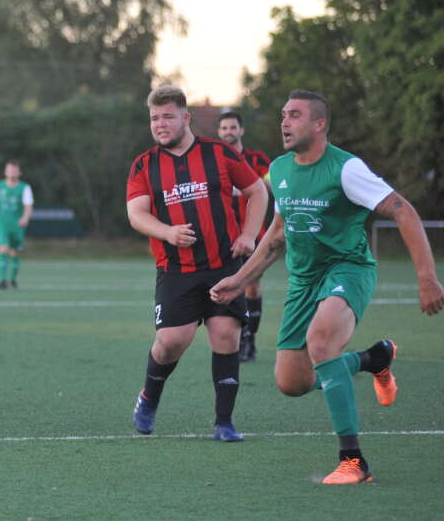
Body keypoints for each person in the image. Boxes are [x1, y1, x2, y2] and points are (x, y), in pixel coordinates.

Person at [211, 90, 444, 484]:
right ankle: (375, 359)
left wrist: (427, 278)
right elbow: (278, 235)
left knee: (321, 342)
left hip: (347, 269)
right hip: (303, 281)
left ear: (319, 124)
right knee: (292, 382)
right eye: (283, 114)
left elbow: (402, 210)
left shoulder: (346, 168)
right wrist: (239, 280)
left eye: (295, 115)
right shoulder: (280, 170)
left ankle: (354, 461)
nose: (285, 122)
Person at [125, 86, 267, 442]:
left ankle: (224, 422)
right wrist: (168, 232)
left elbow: (257, 192)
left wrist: (249, 235)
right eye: (154, 118)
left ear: (186, 118)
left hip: (223, 264)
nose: (160, 124)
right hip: (176, 270)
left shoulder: (218, 153)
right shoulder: (145, 164)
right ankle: (148, 398)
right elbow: (136, 214)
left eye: (167, 116)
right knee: (173, 340)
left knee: (225, 334)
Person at [217, 111, 273, 362]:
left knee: (251, 284)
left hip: (254, 235)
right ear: (219, 132)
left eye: (232, 127)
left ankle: (248, 339)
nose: (228, 132)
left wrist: (250, 185)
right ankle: (232, 337)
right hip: (223, 236)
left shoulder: (256, 159)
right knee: (225, 286)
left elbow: (272, 184)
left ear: (241, 130)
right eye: (224, 128)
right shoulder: (214, 158)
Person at [0, 160, 34, 289]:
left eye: (15, 170)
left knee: (15, 252)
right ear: (5, 172)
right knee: (3, 249)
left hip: (17, 225)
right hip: (3, 224)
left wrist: (25, 218)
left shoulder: (24, 187)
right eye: (10, 170)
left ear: (19, 172)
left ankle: (13, 280)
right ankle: (2, 280)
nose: (12, 172)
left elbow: (28, 207)